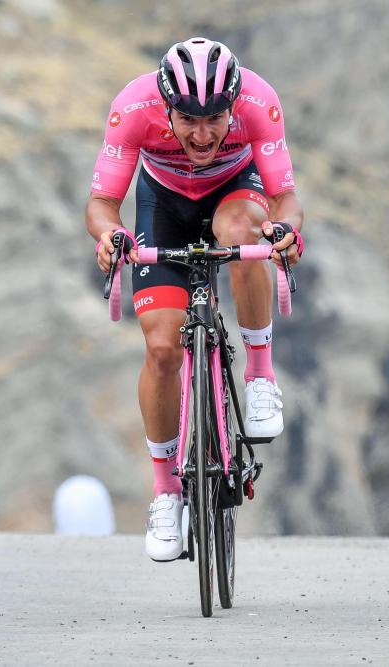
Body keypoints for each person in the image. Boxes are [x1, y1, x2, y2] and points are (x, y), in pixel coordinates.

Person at [86, 38, 305, 561]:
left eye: (215, 119)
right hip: (162, 206)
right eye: (187, 119)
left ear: (234, 106)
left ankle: (259, 375)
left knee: (241, 232)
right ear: (165, 106)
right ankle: (166, 492)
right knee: (163, 349)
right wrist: (112, 236)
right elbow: (102, 204)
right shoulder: (132, 109)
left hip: (236, 192)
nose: (202, 135)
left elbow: (284, 199)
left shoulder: (259, 102)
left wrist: (285, 232)